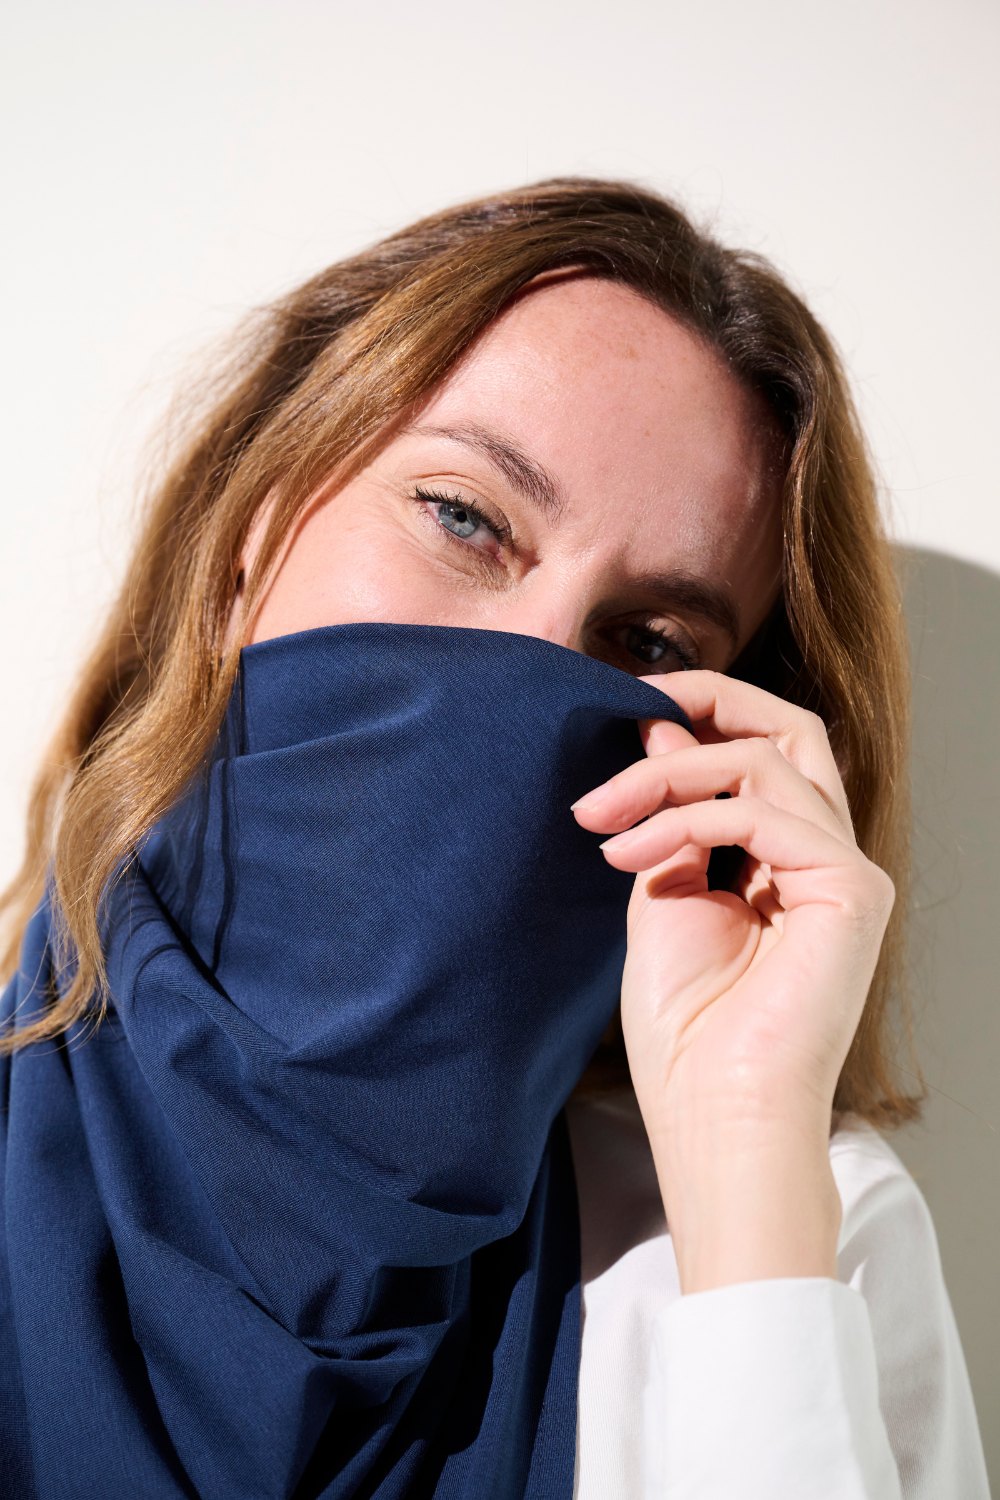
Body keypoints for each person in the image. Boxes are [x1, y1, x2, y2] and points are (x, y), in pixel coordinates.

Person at [0, 176, 990, 1497]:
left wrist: (743, 1135)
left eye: (648, 644)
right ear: (251, 525)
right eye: (465, 517)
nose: (528, 668)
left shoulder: (782, 1232)